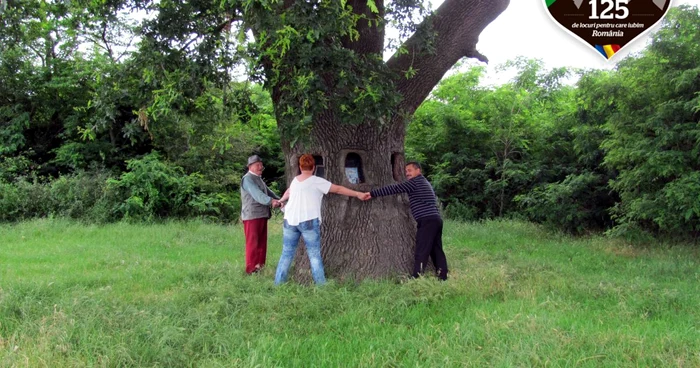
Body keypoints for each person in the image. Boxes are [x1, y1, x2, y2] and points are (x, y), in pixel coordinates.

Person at [274, 154, 365, 285]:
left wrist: (281, 201)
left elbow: (288, 192)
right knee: (314, 255)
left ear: (300, 167)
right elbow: (338, 189)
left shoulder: (295, 180)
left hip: (290, 220)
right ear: (314, 167)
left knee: (286, 254)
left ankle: (278, 283)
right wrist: (357, 194)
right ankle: (321, 286)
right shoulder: (316, 181)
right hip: (308, 220)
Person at [362, 161, 448, 280]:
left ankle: (417, 277)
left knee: (422, 249)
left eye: (410, 170)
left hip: (427, 220)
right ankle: (443, 275)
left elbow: (395, 188)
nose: (407, 173)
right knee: (436, 248)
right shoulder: (423, 182)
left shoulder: (415, 182)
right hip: (435, 219)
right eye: (406, 171)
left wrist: (372, 193)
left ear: (418, 170)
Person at [240, 154, 280, 274]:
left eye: (261, 165)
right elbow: (258, 195)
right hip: (252, 215)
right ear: (250, 167)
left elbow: (269, 192)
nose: (260, 167)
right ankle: (251, 269)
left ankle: (260, 267)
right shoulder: (247, 179)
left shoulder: (259, 179)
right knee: (253, 242)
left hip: (262, 214)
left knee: (262, 243)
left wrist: (281, 200)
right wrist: (271, 201)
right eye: (257, 165)